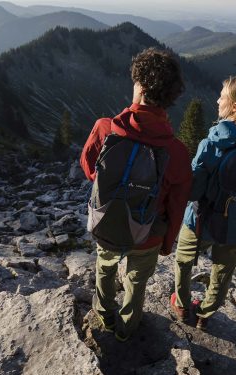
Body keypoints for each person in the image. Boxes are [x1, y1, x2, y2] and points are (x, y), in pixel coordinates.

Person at [81, 48, 192, 341]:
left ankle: (104, 316)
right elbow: (177, 205)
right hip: (149, 234)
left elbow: (89, 168)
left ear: (140, 88)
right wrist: (167, 243)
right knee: (137, 280)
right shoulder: (177, 153)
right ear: (170, 98)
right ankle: (127, 328)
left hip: (108, 221)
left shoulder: (105, 129)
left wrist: (118, 184)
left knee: (104, 269)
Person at [171, 73, 236, 331]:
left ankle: (183, 306)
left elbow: (193, 191)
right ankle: (206, 313)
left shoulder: (213, 143)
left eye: (222, 97)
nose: (217, 100)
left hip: (204, 219)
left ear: (234, 107)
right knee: (223, 270)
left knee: (183, 260)